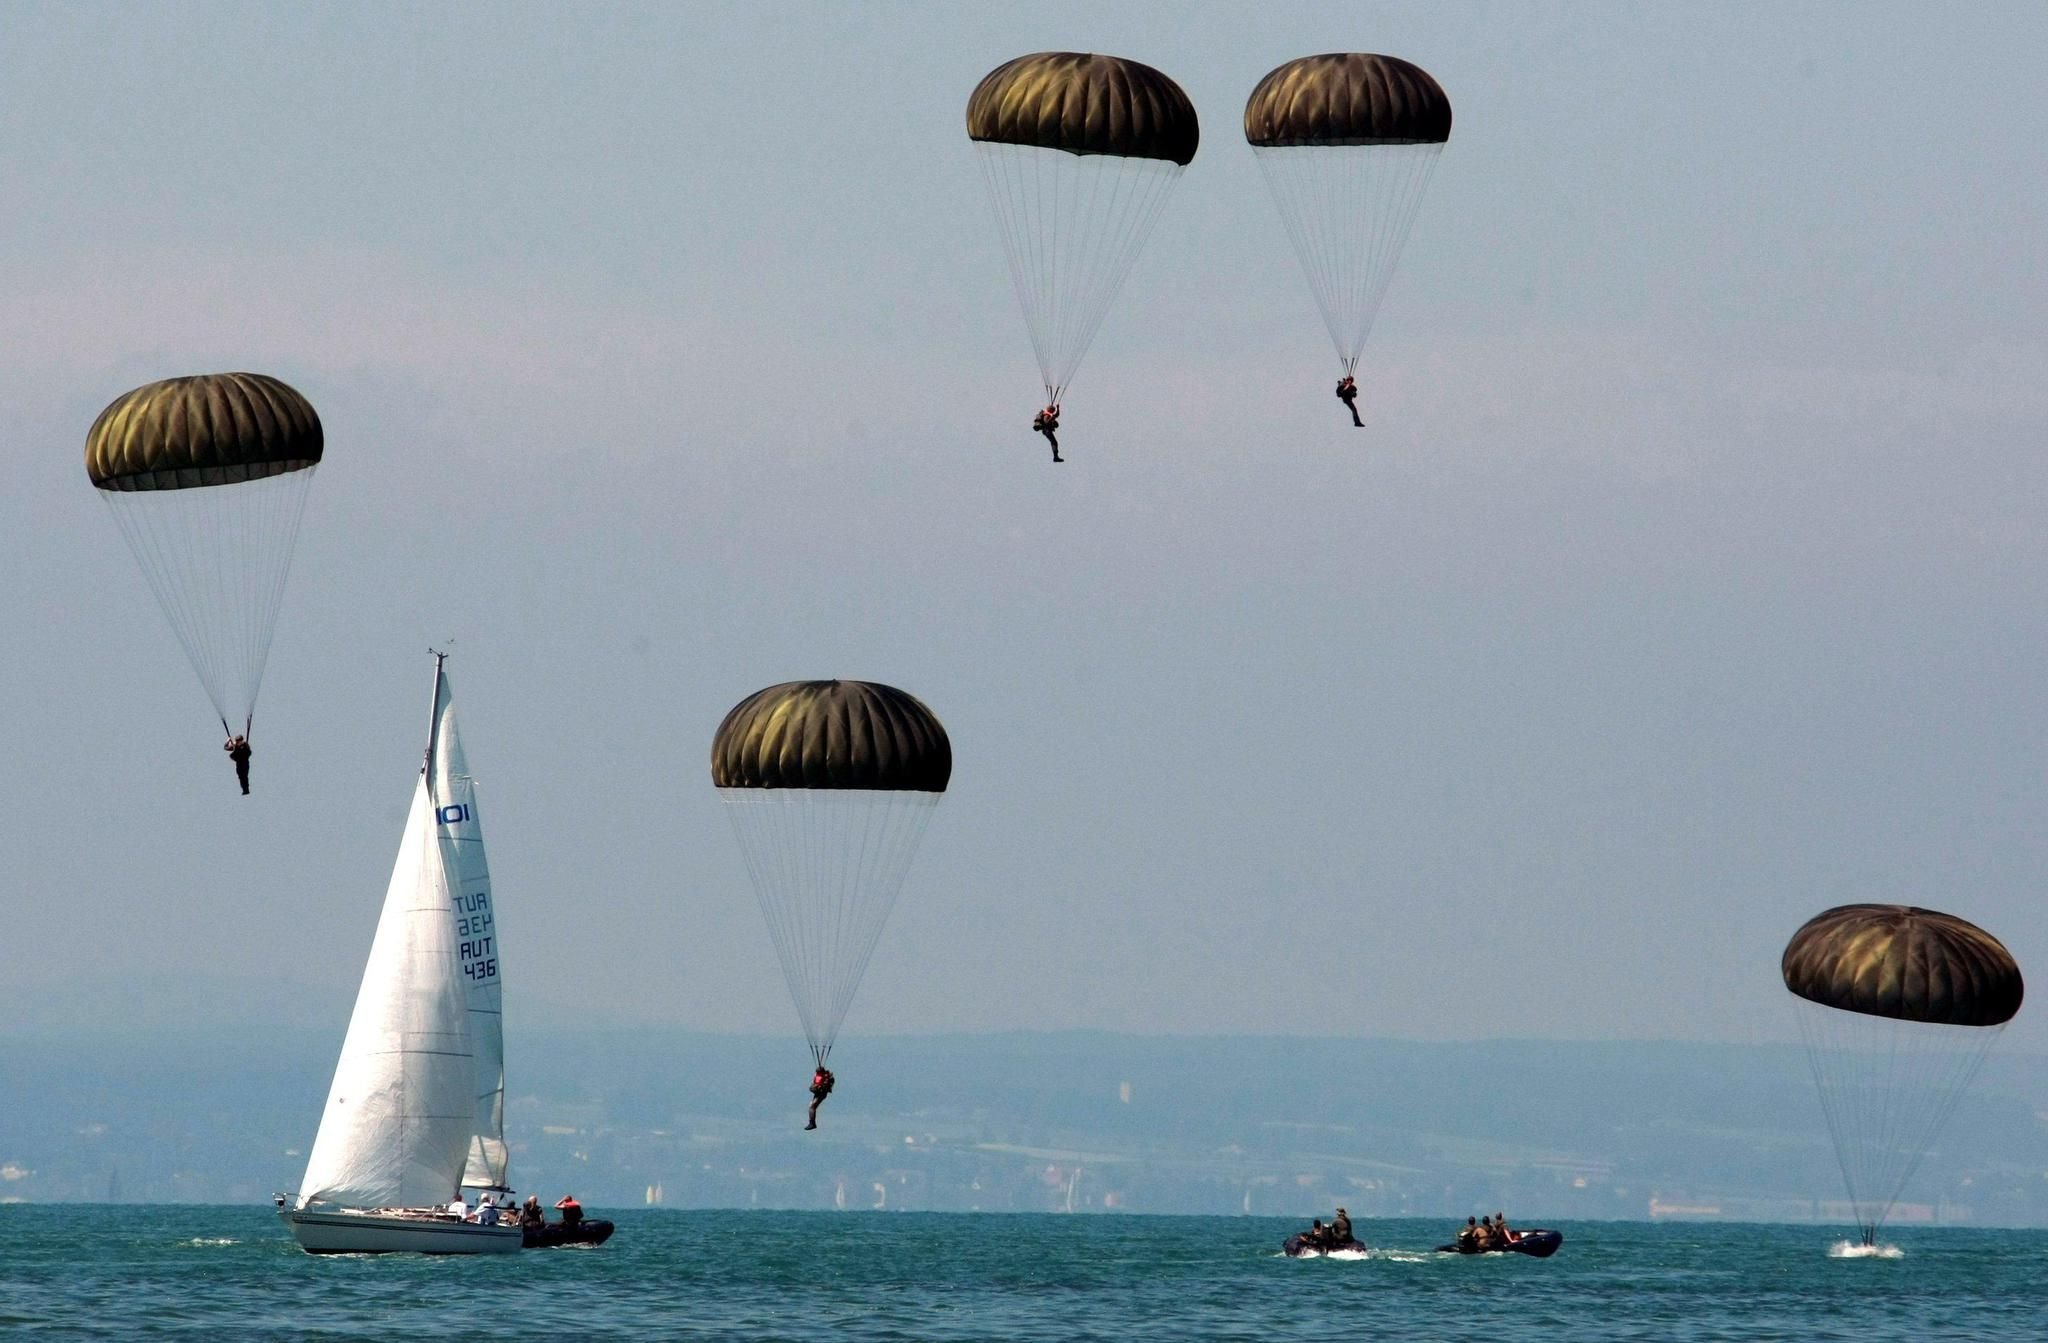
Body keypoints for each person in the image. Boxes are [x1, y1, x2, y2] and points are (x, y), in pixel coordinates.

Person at [806, 1065, 836, 1130]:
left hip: (821, 1094)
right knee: (811, 1106)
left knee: (812, 1106)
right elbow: (814, 1083)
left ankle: (812, 1123)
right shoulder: (818, 1076)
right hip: (818, 1093)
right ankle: (812, 1122)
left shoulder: (826, 1077)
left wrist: (819, 1087)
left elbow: (825, 1086)